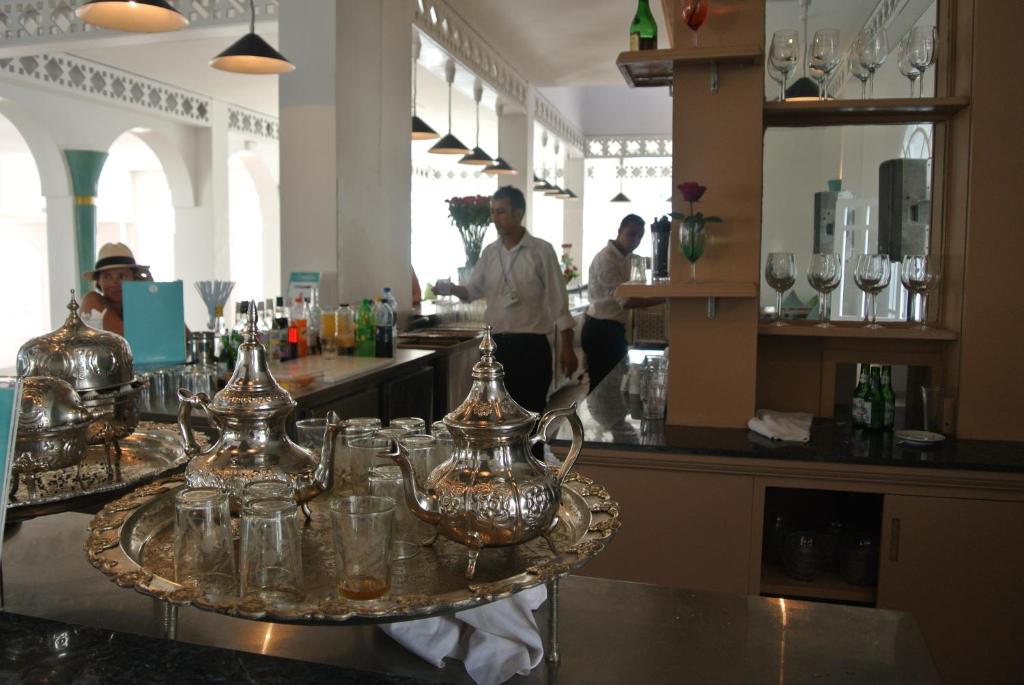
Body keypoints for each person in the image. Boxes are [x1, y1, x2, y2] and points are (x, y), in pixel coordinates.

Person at [437, 186, 577, 413]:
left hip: (531, 346)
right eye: (492, 212)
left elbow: (558, 303)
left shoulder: (541, 251)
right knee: (495, 416)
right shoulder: (490, 253)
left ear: (519, 213)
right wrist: (451, 288)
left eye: (501, 212)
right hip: (495, 349)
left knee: (531, 414)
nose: (495, 218)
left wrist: (568, 348)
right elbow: (472, 290)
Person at [581, 214, 662, 393]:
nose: (635, 240)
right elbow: (626, 301)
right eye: (631, 234)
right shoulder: (606, 260)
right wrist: (665, 298)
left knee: (613, 383)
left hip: (611, 328)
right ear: (619, 231)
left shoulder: (629, 258)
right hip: (601, 329)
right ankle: (597, 412)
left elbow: (653, 264)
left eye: (640, 237)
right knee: (602, 386)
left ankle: (605, 411)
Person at [81, 242, 152, 336]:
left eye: (121, 276)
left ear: (135, 278)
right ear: (98, 281)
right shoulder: (91, 300)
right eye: (107, 277)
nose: (115, 282)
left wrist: (151, 293)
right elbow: (124, 340)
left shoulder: (143, 306)